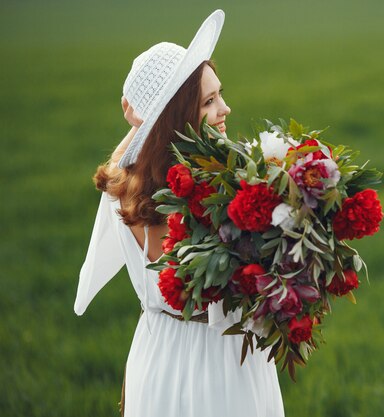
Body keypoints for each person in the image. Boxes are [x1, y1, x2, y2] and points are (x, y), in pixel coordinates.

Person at [74, 10, 285, 417]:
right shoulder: (204, 195)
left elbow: (131, 149)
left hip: (159, 355)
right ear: (177, 115)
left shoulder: (125, 182)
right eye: (209, 101)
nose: (226, 108)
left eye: (220, 93)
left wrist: (140, 118)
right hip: (218, 364)